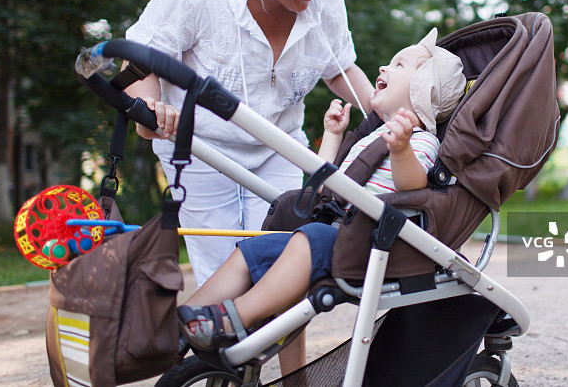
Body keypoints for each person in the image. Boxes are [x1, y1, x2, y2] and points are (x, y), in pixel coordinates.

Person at [122, 0, 374, 293]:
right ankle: (223, 360)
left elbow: (341, 69)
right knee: (225, 276)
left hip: (279, 144)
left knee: (285, 268)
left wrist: (389, 114)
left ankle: (283, 363)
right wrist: (149, 110)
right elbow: (141, 55)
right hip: (201, 148)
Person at [176, 28, 468, 360]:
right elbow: (329, 183)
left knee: (308, 237)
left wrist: (401, 151)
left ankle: (236, 319)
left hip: (373, 245)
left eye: (398, 65)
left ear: (422, 90)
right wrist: (333, 136)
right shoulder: (373, 137)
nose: (383, 69)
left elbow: (413, 189)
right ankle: (183, 323)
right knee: (252, 249)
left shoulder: (420, 141)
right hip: (337, 233)